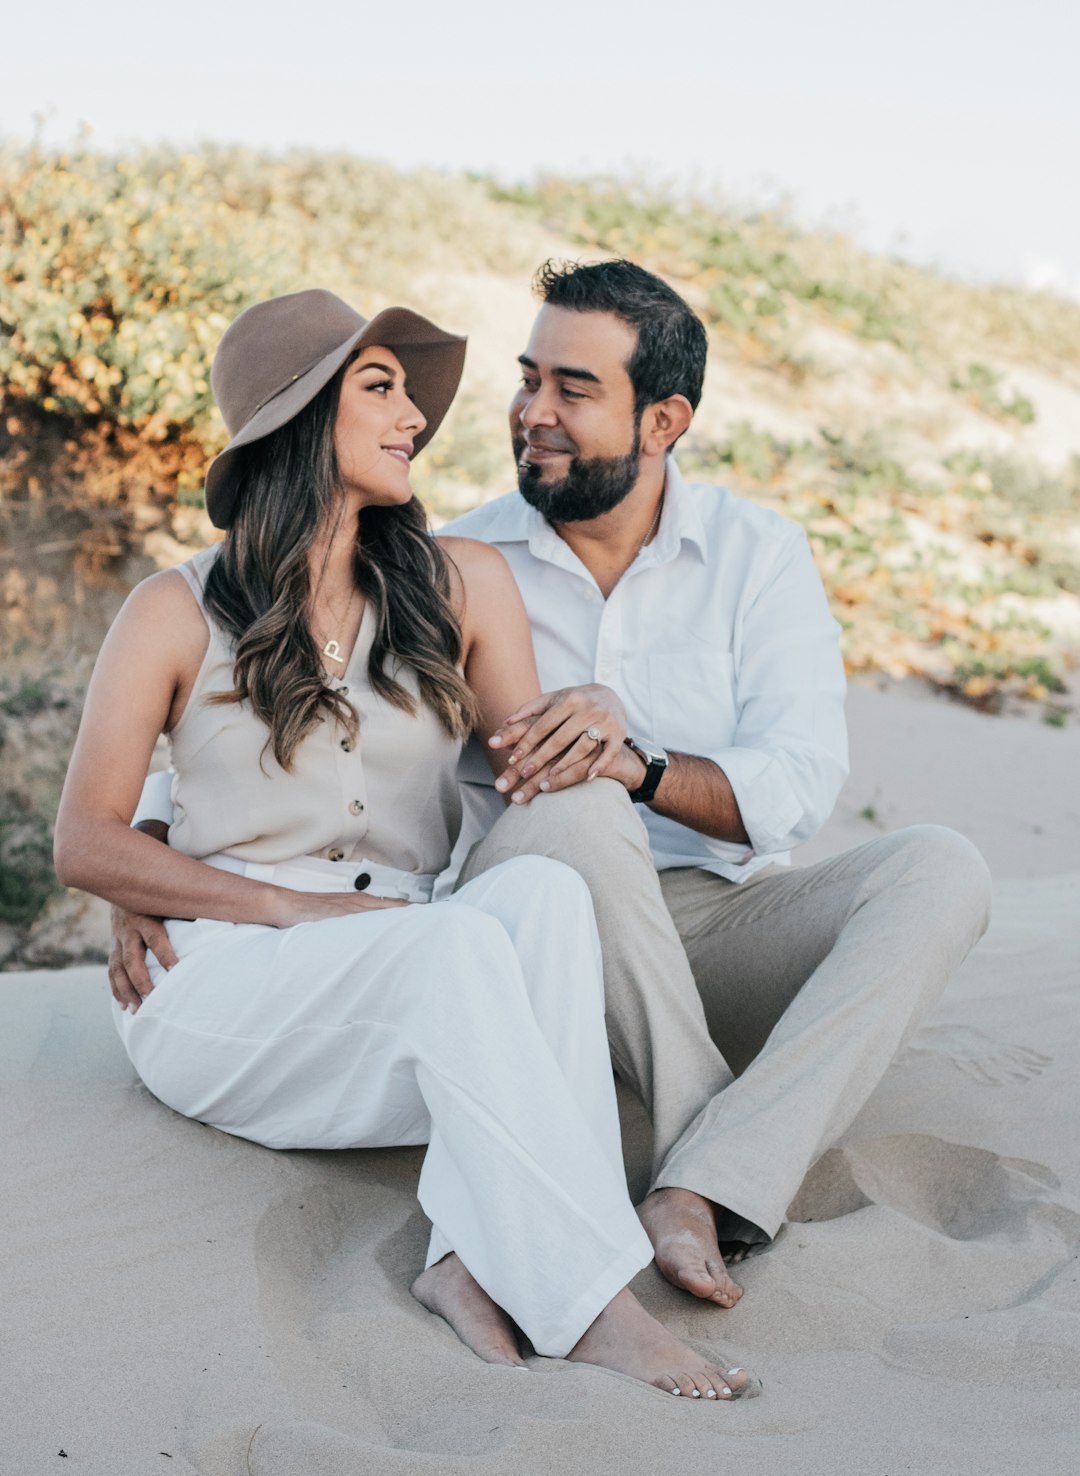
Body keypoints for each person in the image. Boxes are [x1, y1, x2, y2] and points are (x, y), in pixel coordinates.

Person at [111, 260, 992, 1317]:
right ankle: (691, 1161)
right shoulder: (450, 555)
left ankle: (715, 1170)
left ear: (662, 419)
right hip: (532, 906)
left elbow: (798, 786)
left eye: (573, 391)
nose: (531, 413)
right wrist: (151, 852)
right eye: (529, 380)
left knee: (942, 868)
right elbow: (268, 717)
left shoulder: (759, 557)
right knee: (574, 807)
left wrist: (643, 762)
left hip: (713, 917)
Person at [55, 287, 756, 1402]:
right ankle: (595, 1308)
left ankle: (469, 1260)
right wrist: (278, 905)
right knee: (459, 948)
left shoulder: (461, 584)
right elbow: (83, 842)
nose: (414, 418)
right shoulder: (174, 611)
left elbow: (541, 780)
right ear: (298, 420)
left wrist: (604, 719)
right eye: (378, 388)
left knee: (540, 903)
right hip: (222, 980)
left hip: (408, 966)